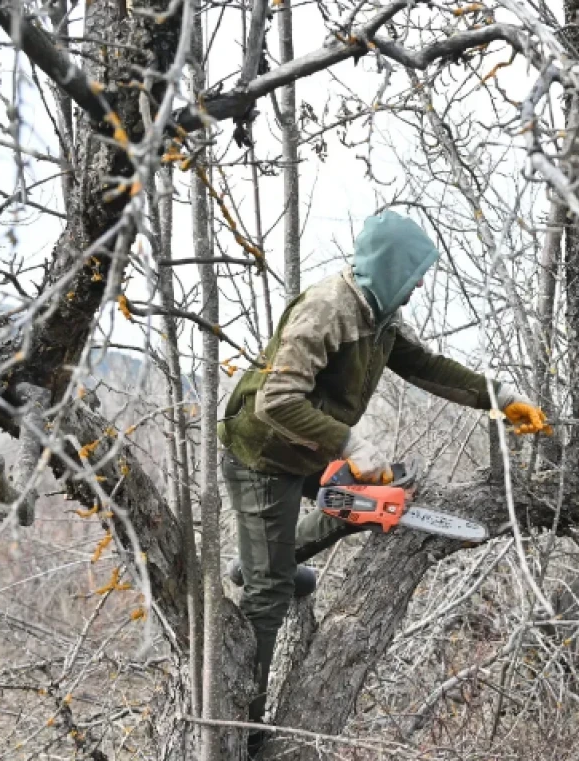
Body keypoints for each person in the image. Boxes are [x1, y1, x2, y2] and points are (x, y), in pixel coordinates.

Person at [216, 210, 549, 749]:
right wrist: (352, 443)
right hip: (266, 452)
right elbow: (277, 400)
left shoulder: (380, 317)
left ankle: (266, 559)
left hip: (309, 447)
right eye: (414, 274)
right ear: (391, 267)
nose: (419, 285)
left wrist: (502, 398)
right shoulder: (328, 309)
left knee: (365, 501)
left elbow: (427, 367)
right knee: (268, 594)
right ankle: (242, 736)